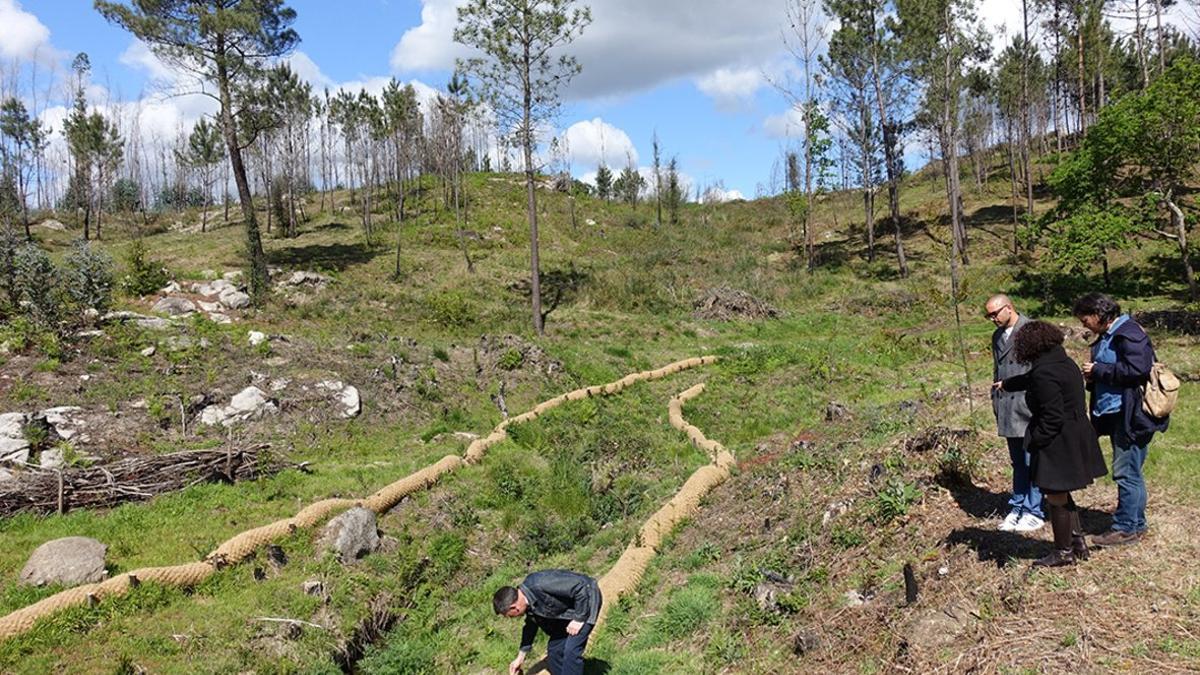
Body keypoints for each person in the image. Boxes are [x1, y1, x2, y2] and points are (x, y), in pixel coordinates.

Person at [997, 321, 1107, 566]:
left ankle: (1063, 552)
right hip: (1074, 433)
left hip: (1058, 439)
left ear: (1030, 346)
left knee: (1055, 494)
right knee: (1062, 490)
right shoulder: (1062, 363)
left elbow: (1052, 415)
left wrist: (1036, 441)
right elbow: (1032, 379)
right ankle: (1077, 543)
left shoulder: (1044, 372)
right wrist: (1007, 384)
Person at [1073, 293, 1169, 547]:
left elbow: (1137, 369)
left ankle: (1125, 528)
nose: (1084, 324)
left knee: (1126, 472)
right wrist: (1094, 378)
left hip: (1131, 414)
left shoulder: (1128, 333)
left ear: (1098, 314)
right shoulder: (1109, 335)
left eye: (1085, 318)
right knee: (1130, 471)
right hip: (1117, 412)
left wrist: (1098, 370)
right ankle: (1135, 524)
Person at [985, 294, 1044, 532]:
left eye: (995, 313)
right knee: (1018, 462)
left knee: (1033, 461)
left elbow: (1041, 371)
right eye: (988, 315)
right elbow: (997, 370)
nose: (992, 319)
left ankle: (1035, 509)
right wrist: (995, 401)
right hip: (1007, 407)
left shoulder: (1031, 331)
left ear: (1009, 308)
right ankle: (1018, 505)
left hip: (1028, 406)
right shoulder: (997, 336)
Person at [493, 569, 602, 675]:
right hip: (569, 611)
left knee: (571, 650)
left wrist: (579, 619)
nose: (513, 618)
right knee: (555, 650)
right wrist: (520, 657)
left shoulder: (539, 584)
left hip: (586, 600)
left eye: (510, 616)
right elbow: (531, 626)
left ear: (513, 608)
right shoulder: (527, 601)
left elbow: (581, 587)